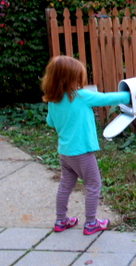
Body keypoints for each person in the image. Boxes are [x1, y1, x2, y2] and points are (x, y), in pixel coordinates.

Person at [41, 55, 130, 235]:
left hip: (65, 152)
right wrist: (130, 94)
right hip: (81, 152)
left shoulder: (53, 100)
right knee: (93, 184)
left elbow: (50, 122)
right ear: (71, 78)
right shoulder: (80, 96)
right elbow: (106, 99)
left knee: (65, 185)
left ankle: (61, 220)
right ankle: (91, 223)